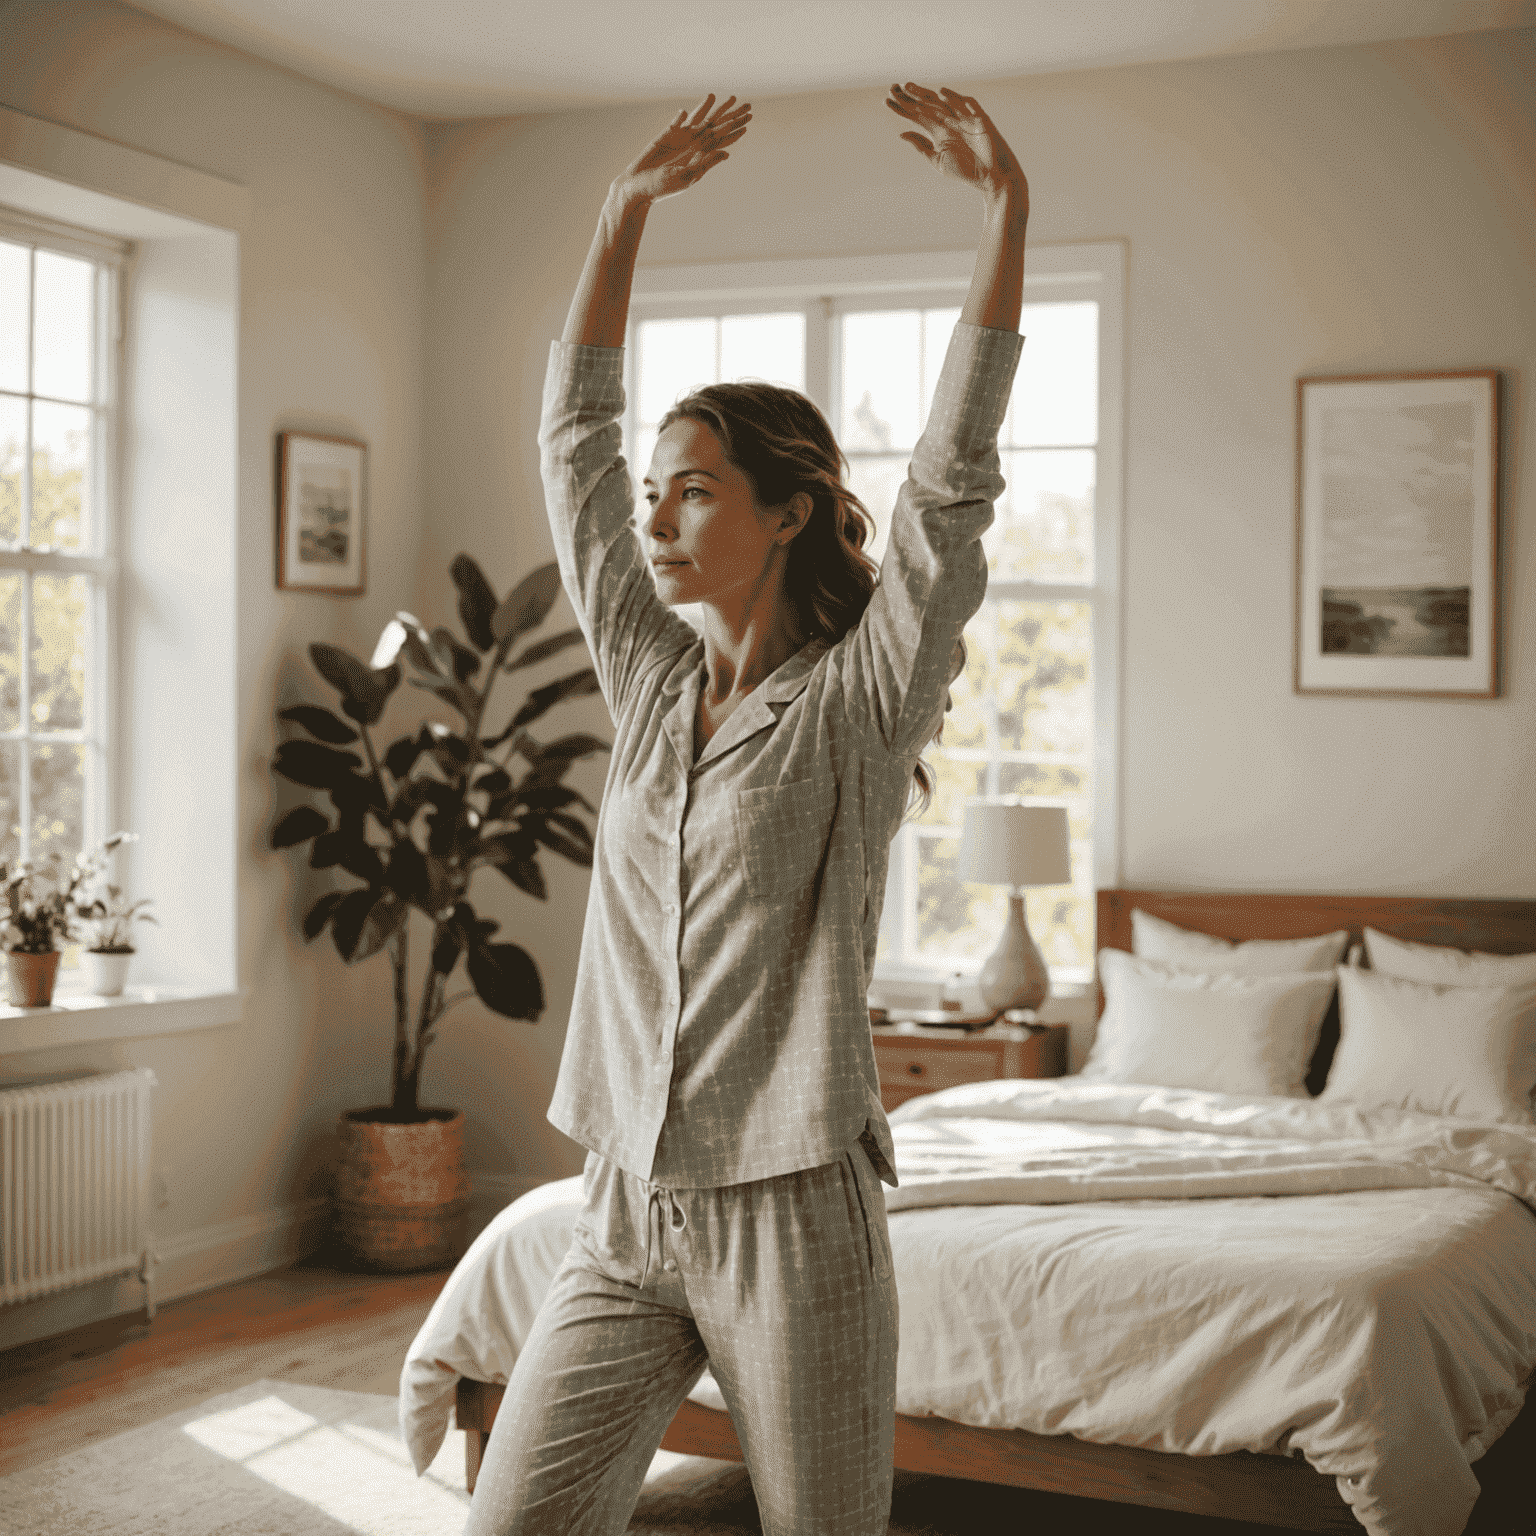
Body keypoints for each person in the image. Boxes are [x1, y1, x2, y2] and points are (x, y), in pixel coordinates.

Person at [464, 82, 1028, 1536]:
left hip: (793, 1212)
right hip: (622, 1204)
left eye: (695, 493)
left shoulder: (856, 704)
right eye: (658, 494)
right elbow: (570, 455)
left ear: (786, 511)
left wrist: (1006, 217)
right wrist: (618, 215)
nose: (654, 520)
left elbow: (947, 498)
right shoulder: (648, 680)